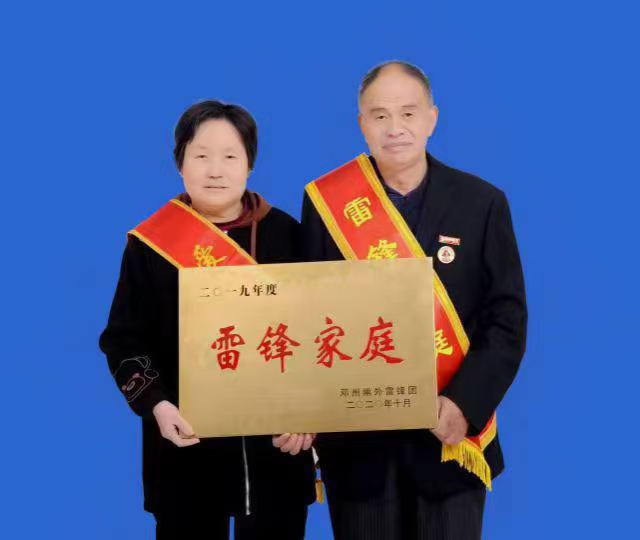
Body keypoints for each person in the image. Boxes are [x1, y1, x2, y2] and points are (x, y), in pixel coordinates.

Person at [285, 61, 527, 539]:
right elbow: (306, 315)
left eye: (408, 113)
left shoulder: (482, 202)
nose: (395, 128)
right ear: (362, 124)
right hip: (357, 450)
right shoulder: (326, 203)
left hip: (449, 439)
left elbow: (506, 319)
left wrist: (464, 405)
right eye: (380, 116)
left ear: (432, 118)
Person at [99, 100, 316, 540]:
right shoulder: (149, 245)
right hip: (185, 450)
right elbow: (122, 339)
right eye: (201, 155)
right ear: (180, 162)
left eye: (230, 156)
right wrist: (157, 405)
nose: (215, 170)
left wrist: (310, 414)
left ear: (250, 163)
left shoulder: (288, 235)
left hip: (277, 451)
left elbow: (322, 332)